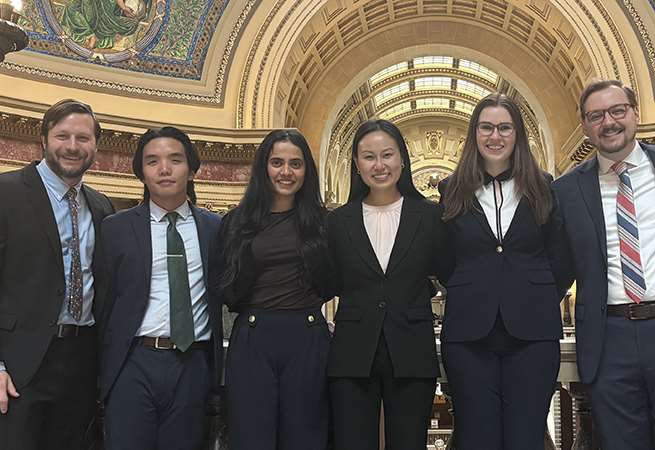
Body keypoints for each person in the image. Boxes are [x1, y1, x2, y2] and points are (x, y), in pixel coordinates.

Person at [551, 80, 655, 449]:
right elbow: (556, 269)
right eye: (596, 116)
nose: (608, 122)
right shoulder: (566, 190)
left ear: (635, 114)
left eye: (617, 110)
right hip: (609, 338)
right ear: (585, 126)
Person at [437, 93, 561, 450]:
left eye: (505, 128)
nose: (495, 136)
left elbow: (560, 255)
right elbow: (443, 259)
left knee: (526, 437)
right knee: (477, 437)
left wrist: (534, 292)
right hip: (469, 335)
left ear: (517, 134)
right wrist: (473, 286)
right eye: (486, 128)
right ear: (474, 134)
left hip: (533, 333)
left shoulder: (544, 186)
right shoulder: (451, 189)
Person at [99, 126, 223, 450]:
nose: (164, 169)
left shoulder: (216, 229)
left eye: (175, 160)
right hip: (132, 362)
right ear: (141, 172)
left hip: (192, 363)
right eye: (152, 161)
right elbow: (102, 302)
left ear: (192, 170)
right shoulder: (115, 229)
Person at [0, 99, 114, 450]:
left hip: (81, 364)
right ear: (44, 139)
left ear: (95, 146)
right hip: (18, 365)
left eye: (83, 138)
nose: (72, 146)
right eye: (63, 136)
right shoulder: (6, 192)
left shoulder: (101, 206)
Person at [326, 119, 445, 450]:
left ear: (402, 159)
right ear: (356, 164)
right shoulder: (336, 222)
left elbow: (447, 272)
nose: (379, 165)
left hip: (412, 350)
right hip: (352, 353)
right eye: (369, 157)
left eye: (387, 155)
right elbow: (326, 280)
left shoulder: (430, 217)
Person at [219, 129, 331, 450]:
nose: (286, 172)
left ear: (306, 171)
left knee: (305, 439)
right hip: (253, 339)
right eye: (277, 162)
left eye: (296, 163)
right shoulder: (236, 223)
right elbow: (225, 283)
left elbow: (335, 279)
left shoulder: (324, 223)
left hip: (308, 339)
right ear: (263, 167)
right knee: (251, 437)